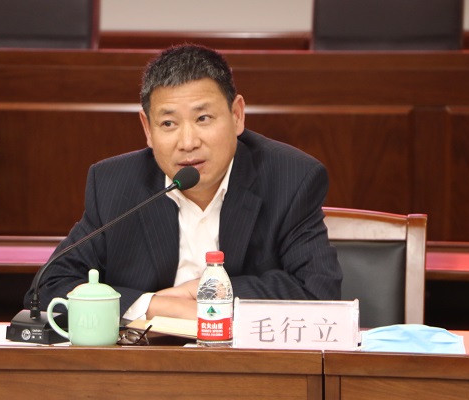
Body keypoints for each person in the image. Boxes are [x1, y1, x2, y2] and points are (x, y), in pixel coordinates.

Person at [24, 44, 342, 321]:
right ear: (147, 129)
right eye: (168, 123)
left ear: (237, 115)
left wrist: (207, 293)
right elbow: (48, 288)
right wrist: (152, 306)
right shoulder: (115, 184)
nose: (188, 142)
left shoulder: (291, 178)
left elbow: (319, 292)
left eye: (203, 118)